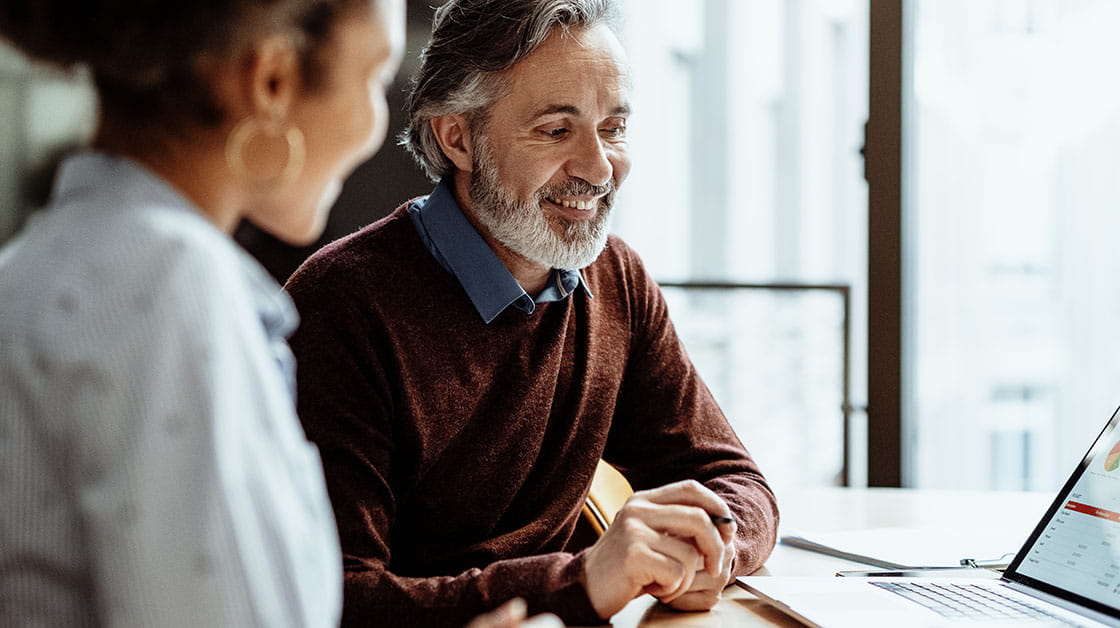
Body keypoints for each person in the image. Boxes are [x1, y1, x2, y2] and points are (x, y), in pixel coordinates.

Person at [284, 0, 781, 625]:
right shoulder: (338, 308)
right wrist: (581, 581)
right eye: (556, 130)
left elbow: (733, 478)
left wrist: (710, 545)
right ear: (457, 136)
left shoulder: (615, 277)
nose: (599, 168)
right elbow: (336, 600)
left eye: (614, 127)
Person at [0, 0, 405, 624]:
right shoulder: (173, 286)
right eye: (377, 78)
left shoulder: (32, 264)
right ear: (272, 79)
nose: (379, 125)